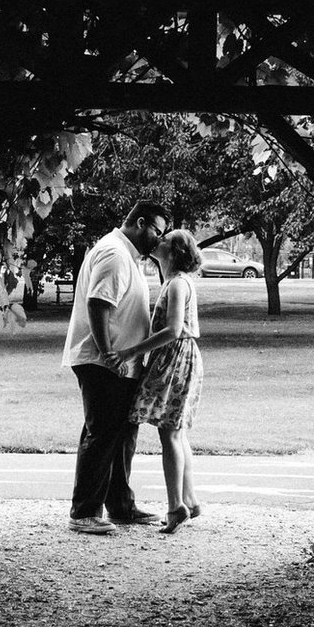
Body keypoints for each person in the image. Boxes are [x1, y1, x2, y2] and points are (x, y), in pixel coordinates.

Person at [61, 199, 169, 533]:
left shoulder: (129, 257)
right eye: (157, 231)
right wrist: (109, 353)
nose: (159, 240)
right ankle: (84, 512)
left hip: (122, 362)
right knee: (103, 432)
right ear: (140, 222)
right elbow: (98, 304)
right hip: (103, 361)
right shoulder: (114, 254)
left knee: (123, 434)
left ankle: (121, 506)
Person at [127, 228, 206, 532]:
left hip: (176, 357)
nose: (156, 242)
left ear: (172, 252)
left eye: (163, 240)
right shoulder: (177, 282)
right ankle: (190, 500)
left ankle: (176, 506)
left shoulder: (176, 285)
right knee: (177, 432)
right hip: (182, 357)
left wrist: (133, 351)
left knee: (170, 433)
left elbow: (173, 329)